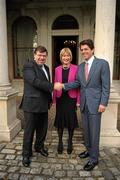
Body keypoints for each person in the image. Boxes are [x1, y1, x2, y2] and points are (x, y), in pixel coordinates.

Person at [55, 39, 110, 171]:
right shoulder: (80, 67)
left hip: (96, 104)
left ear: (92, 49)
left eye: (86, 49)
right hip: (84, 104)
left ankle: (94, 159)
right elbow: (77, 84)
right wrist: (63, 85)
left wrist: (103, 103)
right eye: (82, 50)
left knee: (94, 132)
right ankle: (89, 151)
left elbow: (106, 86)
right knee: (87, 131)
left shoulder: (102, 64)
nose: (84, 51)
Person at [19, 45, 53, 167]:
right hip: (31, 105)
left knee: (42, 129)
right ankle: (26, 154)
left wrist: (50, 99)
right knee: (29, 131)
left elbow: (45, 84)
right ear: (34, 55)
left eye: (44, 56)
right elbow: (34, 81)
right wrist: (53, 86)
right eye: (39, 55)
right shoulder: (28, 66)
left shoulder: (47, 68)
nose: (41, 58)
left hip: (44, 104)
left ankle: (39, 147)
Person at [53, 47, 80, 154]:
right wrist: (54, 100)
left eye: (68, 55)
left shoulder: (76, 68)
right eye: (64, 55)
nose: (66, 57)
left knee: (70, 121)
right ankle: (60, 141)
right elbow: (55, 84)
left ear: (70, 57)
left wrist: (78, 101)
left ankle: (70, 141)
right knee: (60, 121)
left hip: (71, 99)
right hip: (60, 98)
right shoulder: (57, 69)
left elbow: (78, 85)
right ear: (61, 57)